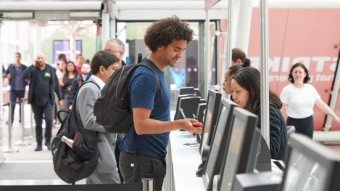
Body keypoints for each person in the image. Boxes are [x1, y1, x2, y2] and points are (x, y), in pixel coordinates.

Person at [119, 16, 203, 191]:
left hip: (149, 158)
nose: (180, 55)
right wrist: (180, 124)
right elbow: (141, 125)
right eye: (176, 49)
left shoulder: (156, 73)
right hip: (141, 160)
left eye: (183, 50)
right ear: (160, 45)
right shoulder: (147, 76)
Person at [76, 50, 120, 184]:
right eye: (114, 69)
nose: (116, 73)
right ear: (102, 69)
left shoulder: (100, 88)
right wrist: (115, 125)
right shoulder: (90, 89)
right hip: (99, 153)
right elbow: (89, 121)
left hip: (102, 151)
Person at [231, 67, 287, 160]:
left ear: (253, 90)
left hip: (269, 168)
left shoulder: (268, 111)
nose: (234, 96)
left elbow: (271, 150)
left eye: (238, 91)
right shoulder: (250, 108)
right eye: (233, 91)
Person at [280, 63, 340, 139]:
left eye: (300, 72)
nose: (297, 74)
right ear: (291, 74)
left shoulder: (310, 88)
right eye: (295, 72)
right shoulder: (287, 90)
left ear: (305, 74)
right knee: (292, 148)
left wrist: (335, 116)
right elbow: (282, 108)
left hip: (308, 123)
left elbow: (321, 105)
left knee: (307, 147)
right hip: (293, 123)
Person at [23, 53, 62, 151]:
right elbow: (23, 76)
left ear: (45, 59)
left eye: (42, 58)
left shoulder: (51, 70)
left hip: (48, 101)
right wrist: (31, 65)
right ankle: (39, 144)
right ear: (36, 60)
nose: (40, 60)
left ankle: (48, 142)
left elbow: (56, 85)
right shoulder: (33, 70)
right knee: (38, 123)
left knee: (49, 120)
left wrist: (60, 98)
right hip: (35, 101)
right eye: (38, 58)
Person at [5, 52, 28, 124]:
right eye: (16, 57)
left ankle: (21, 120)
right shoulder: (11, 66)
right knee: (12, 105)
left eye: (18, 57)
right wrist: (7, 76)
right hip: (13, 90)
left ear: (20, 58)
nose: (17, 58)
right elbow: (5, 74)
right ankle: (11, 121)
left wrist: (26, 80)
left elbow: (28, 75)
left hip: (21, 89)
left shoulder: (24, 67)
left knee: (21, 106)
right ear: (14, 58)